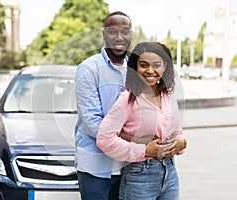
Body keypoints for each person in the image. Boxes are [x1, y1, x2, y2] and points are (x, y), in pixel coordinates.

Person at [97, 42, 187, 200]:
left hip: (170, 173)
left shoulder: (168, 97)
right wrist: (144, 151)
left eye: (156, 65)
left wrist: (181, 143)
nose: (150, 71)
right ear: (134, 68)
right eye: (143, 65)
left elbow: (177, 132)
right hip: (139, 176)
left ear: (165, 67)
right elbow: (104, 139)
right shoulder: (128, 99)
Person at [74, 11, 132, 200]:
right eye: (113, 31)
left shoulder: (136, 69)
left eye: (125, 31)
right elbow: (91, 120)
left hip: (129, 168)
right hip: (95, 169)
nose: (119, 37)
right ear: (104, 34)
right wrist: (133, 140)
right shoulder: (88, 69)